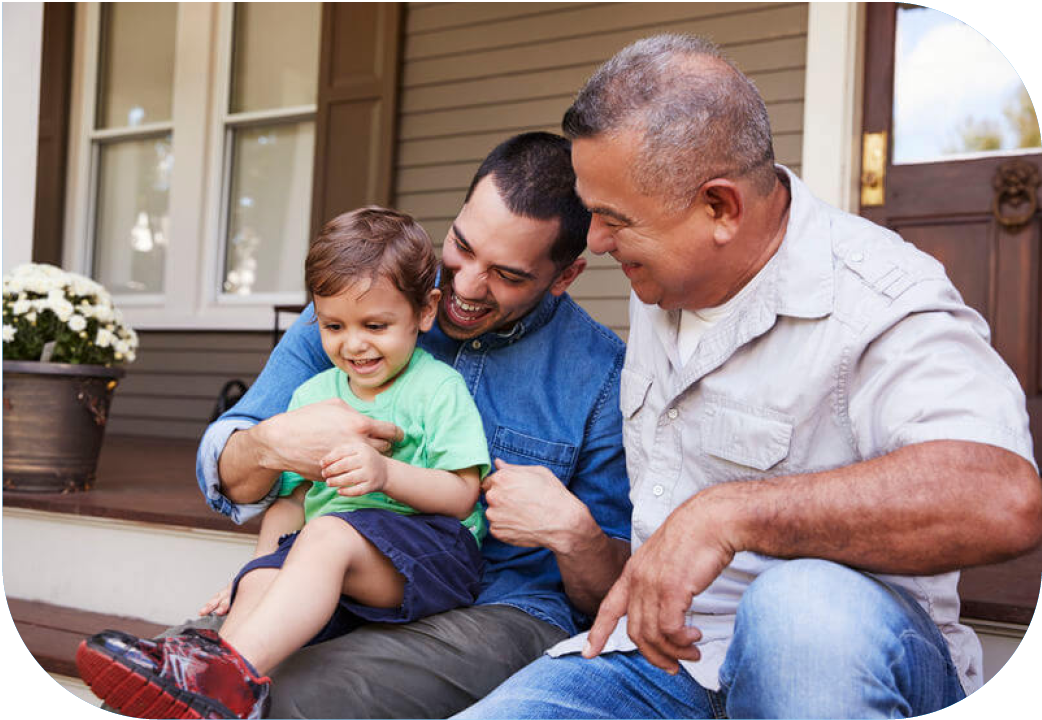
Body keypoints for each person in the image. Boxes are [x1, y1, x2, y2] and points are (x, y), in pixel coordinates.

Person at [457, 34, 1042, 720]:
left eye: (615, 221)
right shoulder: (664, 282)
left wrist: (732, 514)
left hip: (838, 660)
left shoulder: (878, 295)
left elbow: (1002, 495)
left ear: (720, 209)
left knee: (799, 607)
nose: (596, 245)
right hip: (665, 661)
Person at [86, 132, 633, 719]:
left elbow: (608, 594)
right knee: (165, 679)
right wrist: (269, 447)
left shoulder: (601, 376)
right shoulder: (357, 309)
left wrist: (575, 535)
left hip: (504, 605)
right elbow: (240, 469)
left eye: (507, 274)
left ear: (564, 275)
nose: (466, 287)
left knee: (294, 696)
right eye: (462, 247)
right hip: (341, 576)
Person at [77, 208, 497, 718]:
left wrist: (387, 474)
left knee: (325, 536)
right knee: (269, 569)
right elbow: (292, 500)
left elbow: (461, 495)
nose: (354, 343)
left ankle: (220, 678)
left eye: (376, 325)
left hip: (434, 555)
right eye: (333, 325)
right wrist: (258, 569)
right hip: (339, 557)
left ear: (425, 312)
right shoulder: (313, 396)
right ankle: (211, 688)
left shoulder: (436, 389)